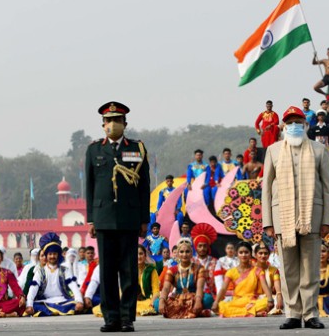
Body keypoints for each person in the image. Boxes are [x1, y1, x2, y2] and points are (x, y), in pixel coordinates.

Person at [262, 106, 329, 330]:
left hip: (311, 217)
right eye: (289, 122)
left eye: (297, 121)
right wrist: (268, 222)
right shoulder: (273, 150)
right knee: (288, 268)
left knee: (310, 267)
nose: (293, 125)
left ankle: (311, 313)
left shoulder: (319, 149)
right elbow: (265, 188)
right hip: (282, 217)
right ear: (283, 126)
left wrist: (326, 221)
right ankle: (293, 313)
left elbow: (328, 189)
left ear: (305, 125)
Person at [85, 101, 151, 332]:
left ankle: (126, 318)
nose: (112, 124)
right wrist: (91, 219)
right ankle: (110, 318)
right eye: (108, 120)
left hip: (129, 217)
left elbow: (144, 186)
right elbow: (90, 185)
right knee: (107, 271)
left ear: (125, 123)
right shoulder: (94, 150)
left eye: (117, 120)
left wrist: (145, 219)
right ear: (103, 125)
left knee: (129, 271)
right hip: (103, 217)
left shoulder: (137, 148)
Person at [25, 232, 84, 316]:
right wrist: (29, 305)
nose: (52, 256)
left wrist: (79, 301)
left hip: (63, 301)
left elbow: (73, 286)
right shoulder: (40, 272)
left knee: (74, 304)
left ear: (58, 255)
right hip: (45, 301)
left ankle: (51, 311)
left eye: (54, 254)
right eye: (50, 254)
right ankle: (54, 311)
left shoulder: (65, 270)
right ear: (46, 255)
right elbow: (33, 288)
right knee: (35, 305)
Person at [213, 241, 274, 317]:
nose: (243, 255)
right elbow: (223, 289)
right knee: (222, 305)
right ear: (236, 254)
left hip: (252, 301)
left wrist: (270, 299)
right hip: (237, 302)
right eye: (241, 252)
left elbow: (265, 286)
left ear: (250, 254)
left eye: (246, 252)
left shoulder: (257, 271)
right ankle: (252, 312)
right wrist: (216, 302)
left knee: (265, 302)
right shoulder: (231, 272)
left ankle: (245, 312)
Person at [157, 238, 211, 318]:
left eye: (187, 251)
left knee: (208, 299)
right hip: (178, 299)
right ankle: (194, 311)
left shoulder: (199, 268)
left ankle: (186, 310)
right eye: (181, 252)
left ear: (191, 253)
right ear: (178, 254)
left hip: (195, 297)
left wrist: (198, 301)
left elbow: (200, 287)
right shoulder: (172, 270)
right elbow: (166, 288)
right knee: (157, 302)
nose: (184, 254)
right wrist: (161, 301)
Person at [254, 241, 285, 314]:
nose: (263, 255)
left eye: (265, 253)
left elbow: (277, 284)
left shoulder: (274, 270)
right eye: (260, 253)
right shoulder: (251, 269)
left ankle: (257, 311)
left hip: (269, 298)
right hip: (253, 298)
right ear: (255, 255)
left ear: (269, 255)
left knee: (278, 302)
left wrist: (279, 296)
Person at [191, 223, 218, 302]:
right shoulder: (191, 261)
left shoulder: (215, 262)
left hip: (211, 294)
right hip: (193, 294)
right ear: (196, 247)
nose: (202, 248)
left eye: (204, 246)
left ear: (208, 247)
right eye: (200, 246)